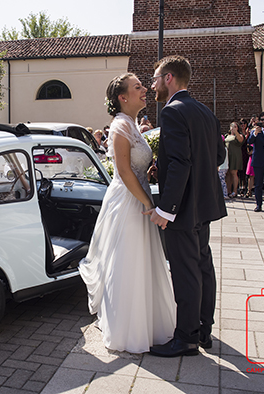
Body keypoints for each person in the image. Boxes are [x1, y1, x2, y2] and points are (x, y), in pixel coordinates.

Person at [78, 73, 176, 354]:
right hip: (129, 201)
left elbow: (136, 165)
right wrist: (147, 202)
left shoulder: (132, 125)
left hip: (139, 196)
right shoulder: (121, 126)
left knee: (141, 261)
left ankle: (148, 323)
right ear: (123, 98)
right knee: (128, 262)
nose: (145, 89)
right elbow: (122, 172)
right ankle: (128, 329)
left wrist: (149, 171)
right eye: (137, 87)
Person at [145, 55, 226, 357]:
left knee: (185, 271)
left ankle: (186, 338)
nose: (152, 84)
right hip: (204, 205)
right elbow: (216, 156)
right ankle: (204, 330)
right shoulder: (205, 111)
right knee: (203, 265)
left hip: (182, 208)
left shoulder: (172, 112)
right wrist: (162, 166)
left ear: (168, 78)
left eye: (154, 78)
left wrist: (166, 209)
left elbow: (181, 162)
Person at [225, 121, 244, 198]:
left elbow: (240, 140)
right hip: (227, 156)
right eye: (232, 126)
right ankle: (228, 190)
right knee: (228, 173)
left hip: (235, 156)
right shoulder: (227, 135)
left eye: (235, 126)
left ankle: (235, 191)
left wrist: (236, 132)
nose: (233, 128)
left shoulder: (239, 135)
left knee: (233, 173)